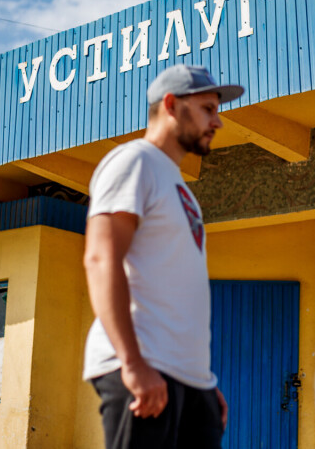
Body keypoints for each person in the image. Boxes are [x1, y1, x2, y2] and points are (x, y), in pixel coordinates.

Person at [83, 64, 243, 449]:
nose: (218, 122)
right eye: (208, 109)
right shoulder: (133, 162)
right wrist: (133, 363)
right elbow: (101, 260)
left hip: (188, 380)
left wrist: (201, 381)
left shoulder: (175, 182)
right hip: (143, 365)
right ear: (171, 105)